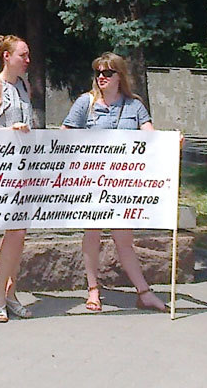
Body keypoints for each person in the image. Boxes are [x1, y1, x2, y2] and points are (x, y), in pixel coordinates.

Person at [62, 53, 168, 312]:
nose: (101, 77)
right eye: (98, 72)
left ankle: (143, 293)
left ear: (119, 76)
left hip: (124, 185)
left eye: (108, 73)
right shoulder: (84, 104)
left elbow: (150, 138)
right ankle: (93, 289)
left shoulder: (134, 106)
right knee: (93, 233)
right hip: (92, 182)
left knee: (123, 238)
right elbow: (64, 137)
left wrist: (171, 143)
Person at [0, 34, 35, 322]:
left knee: (20, 233)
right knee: (12, 232)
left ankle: (11, 292)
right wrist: (9, 131)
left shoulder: (23, 86)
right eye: (22, 55)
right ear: (7, 57)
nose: (27, 60)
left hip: (25, 169)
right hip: (4, 170)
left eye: (28, 55)